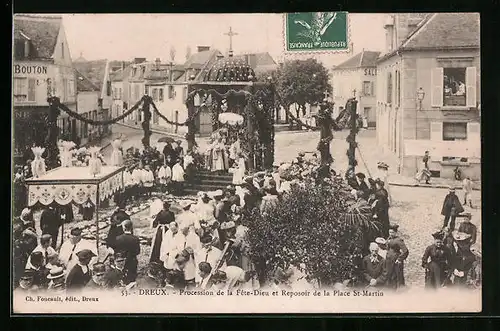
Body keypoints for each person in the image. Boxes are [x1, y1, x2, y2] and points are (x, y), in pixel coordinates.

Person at [114, 220, 141, 284]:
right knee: (132, 278)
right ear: (131, 227)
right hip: (132, 261)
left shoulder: (118, 238)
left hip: (121, 261)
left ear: (123, 228)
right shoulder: (135, 239)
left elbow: (116, 251)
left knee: (121, 278)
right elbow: (138, 252)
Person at [386, 224, 409, 289]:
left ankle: (398, 289)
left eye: (392, 232)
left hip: (395, 260)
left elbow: (405, 251)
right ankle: (390, 288)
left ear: (396, 232)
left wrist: (399, 259)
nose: (391, 234)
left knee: (396, 275)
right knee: (389, 273)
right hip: (389, 259)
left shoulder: (399, 240)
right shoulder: (389, 238)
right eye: (389, 232)